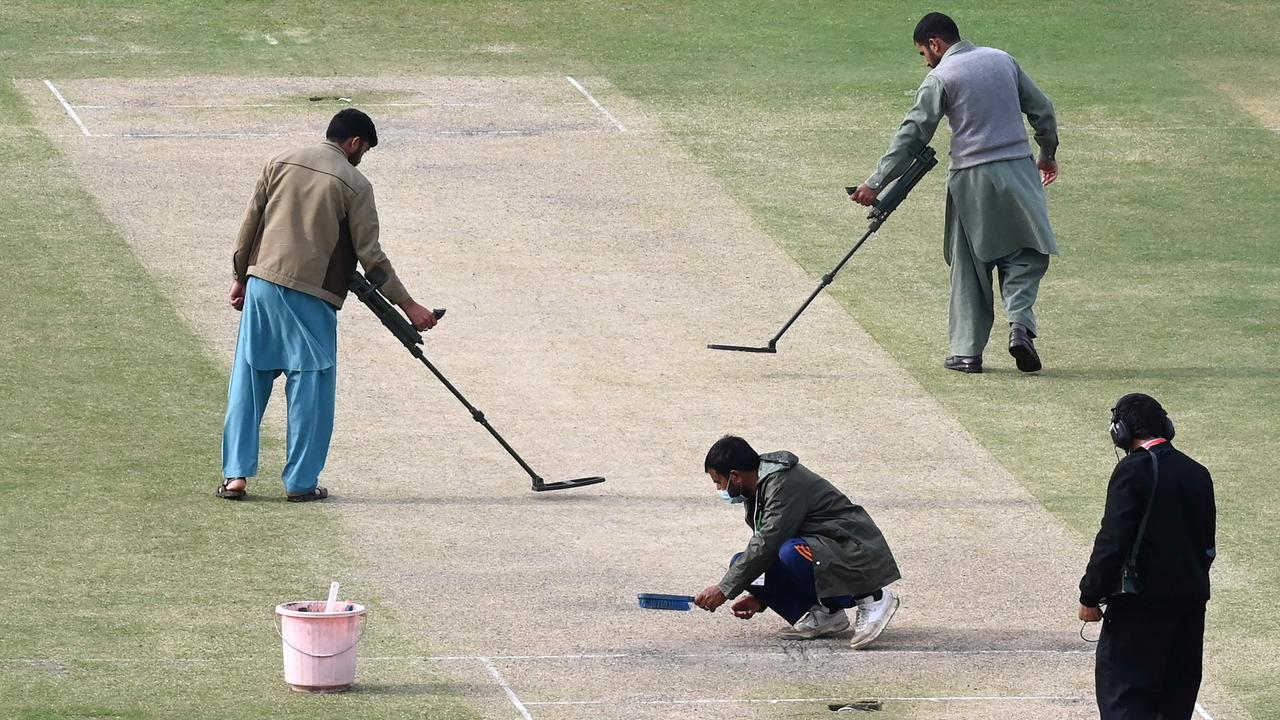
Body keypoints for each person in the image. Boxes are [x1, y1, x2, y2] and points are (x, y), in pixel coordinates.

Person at [216, 109, 438, 502]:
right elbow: (372, 258)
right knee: (310, 390)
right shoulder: (355, 184)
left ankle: (235, 476)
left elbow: (250, 224)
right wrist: (410, 306)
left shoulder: (278, 161)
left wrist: (240, 276)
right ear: (354, 143)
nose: (362, 156)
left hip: (262, 284)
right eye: (364, 149)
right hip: (313, 295)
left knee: (248, 383)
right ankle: (300, 483)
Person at [851, 12, 1059, 374]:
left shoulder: (941, 77)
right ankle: (1020, 326)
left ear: (935, 43)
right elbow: (1042, 110)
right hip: (1020, 171)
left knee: (970, 265)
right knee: (1026, 253)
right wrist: (1047, 154)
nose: (925, 61)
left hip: (971, 179)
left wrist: (875, 182)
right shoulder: (1002, 60)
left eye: (923, 53)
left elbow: (913, 134)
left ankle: (967, 353)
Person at [1078, 393, 1216, 719]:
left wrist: (1090, 594)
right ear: (1167, 427)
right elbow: (1206, 546)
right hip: (1189, 608)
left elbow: (1112, 542)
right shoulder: (1198, 472)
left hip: (1138, 611)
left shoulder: (1132, 470)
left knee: (1125, 702)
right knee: (1173, 705)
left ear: (1121, 432)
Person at [694, 436, 901, 647]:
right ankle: (824, 617)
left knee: (791, 552)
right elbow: (764, 548)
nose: (719, 489)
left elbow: (769, 542)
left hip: (852, 550)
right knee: (743, 564)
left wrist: (723, 589)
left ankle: (873, 598)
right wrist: (764, 596)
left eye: (718, 482)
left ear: (735, 476)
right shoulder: (757, 490)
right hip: (823, 550)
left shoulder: (782, 483)